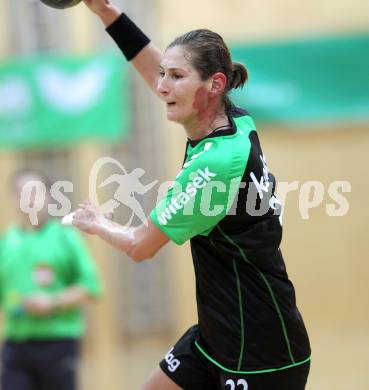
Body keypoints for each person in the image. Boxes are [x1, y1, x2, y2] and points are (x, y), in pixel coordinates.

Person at [72, 1, 311, 389]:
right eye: (164, 74)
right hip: (216, 335)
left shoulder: (214, 166)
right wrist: (107, 13)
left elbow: (140, 246)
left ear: (214, 84)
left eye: (176, 76)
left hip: (262, 350)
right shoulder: (233, 120)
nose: (162, 85)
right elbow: (160, 78)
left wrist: (96, 222)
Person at [0, 169, 102, 390]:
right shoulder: (7, 242)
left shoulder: (66, 237)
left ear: (49, 196)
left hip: (58, 343)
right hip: (16, 346)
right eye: (22, 193)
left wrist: (52, 302)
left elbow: (90, 287)